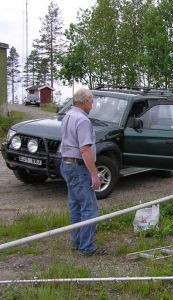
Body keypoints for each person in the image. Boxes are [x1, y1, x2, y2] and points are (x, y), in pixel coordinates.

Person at [60, 88, 103, 256]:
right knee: (90, 208)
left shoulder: (68, 116)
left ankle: (77, 242)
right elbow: (85, 150)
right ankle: (86, 247)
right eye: (91, 102)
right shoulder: (83, 120)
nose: (92, 106)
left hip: (67, 164)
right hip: (78, 167)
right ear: (84, 102)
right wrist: (94, 174)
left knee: (75, 206)